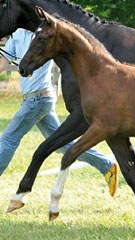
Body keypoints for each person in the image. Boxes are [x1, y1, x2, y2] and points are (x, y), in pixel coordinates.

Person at [0, 28, 118, 196]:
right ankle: (106, 165)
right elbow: (2, 63)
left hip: (39, 98)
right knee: (61, 144)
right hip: (32, 99)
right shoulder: (17, 35)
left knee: (9, 139)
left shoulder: (43, 36)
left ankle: (106, 165)